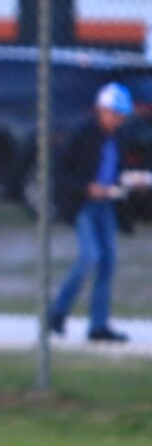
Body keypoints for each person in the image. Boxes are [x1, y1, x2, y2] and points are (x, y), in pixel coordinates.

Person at [49, 82, 148, 342]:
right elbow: (59, 172)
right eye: (113, 113)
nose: (117, 119)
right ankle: (57, 311)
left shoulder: (120, 138)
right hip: (84, 205)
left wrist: (131, 182)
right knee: (89, 257)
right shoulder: (83, 134)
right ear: (101, 110)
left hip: (108, 204)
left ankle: (98, 325)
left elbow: (118, 171)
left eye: (121, 115)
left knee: (108, 263)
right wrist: (85, 188)